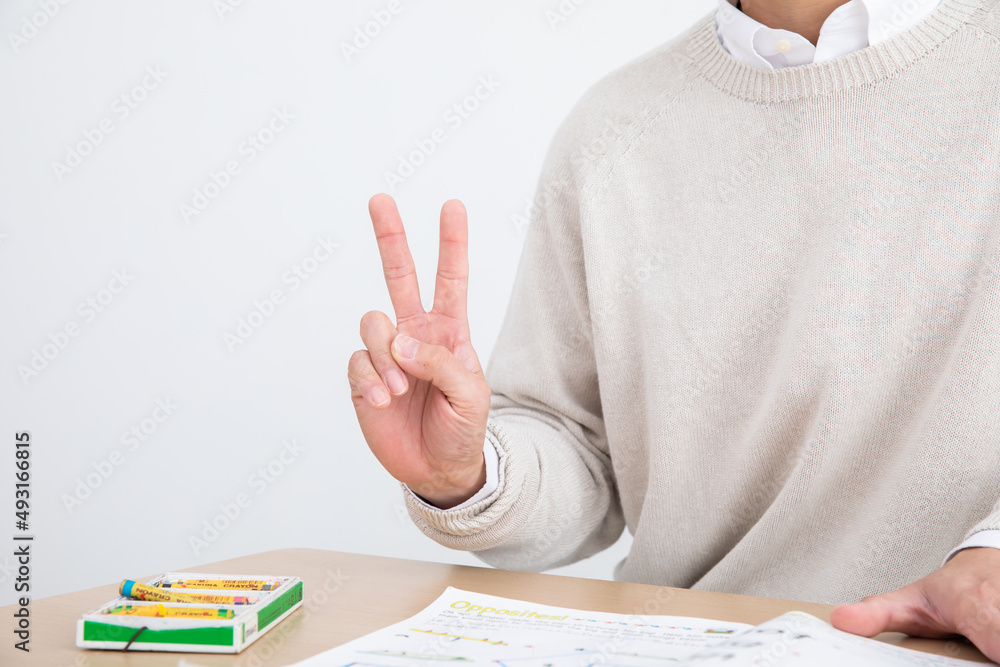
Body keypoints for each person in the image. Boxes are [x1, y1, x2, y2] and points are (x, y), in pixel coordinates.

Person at [348, 0, 1000, 660]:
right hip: (689, 644)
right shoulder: (614, 129)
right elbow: (578, 443)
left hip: (946, 647)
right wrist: (469, 474)